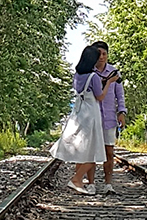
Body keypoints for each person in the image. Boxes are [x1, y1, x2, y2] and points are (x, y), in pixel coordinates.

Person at [50, 44, 118, 195]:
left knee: (83, 149)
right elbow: (100, 96)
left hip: (80, 113)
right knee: (94, 151)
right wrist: (109, 82)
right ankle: (76, 179)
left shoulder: (77, 75)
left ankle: (79, 181)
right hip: (92, 114)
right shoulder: (93, 77)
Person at [90, 40, 126, 193]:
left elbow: (120, 95)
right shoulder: (88, 72)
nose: (101, 57)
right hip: (92, 117)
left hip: (109, 118)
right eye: (98, 54)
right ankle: (91, 183)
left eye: (104, 54)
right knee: (91, 153)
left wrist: (121, 112)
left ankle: (108, 184)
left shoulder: (114, 73)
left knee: (109, 152)